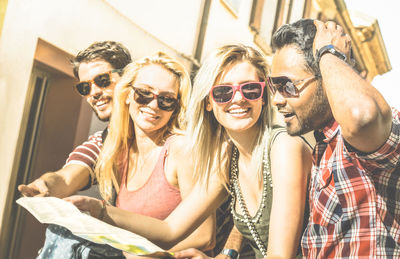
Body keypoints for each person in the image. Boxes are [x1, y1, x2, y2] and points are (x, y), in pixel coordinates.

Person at [66, 44, 312, 259]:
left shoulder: (283, 147)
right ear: (208, 101)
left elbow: (281, 255)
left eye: (249, 89)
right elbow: (170, 231)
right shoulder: (229, 159)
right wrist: (99, 210)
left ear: (263, 96)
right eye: (223, 91)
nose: (237, 99)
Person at [268, 18, 400, 258]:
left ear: (327, 77)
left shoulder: (361, 141)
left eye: (286, 85)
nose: (276, 99)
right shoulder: (323, 147)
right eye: (272, 85)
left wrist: (328, 52)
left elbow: (362, 116)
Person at [18, 40, 132, 197]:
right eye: (85, 87)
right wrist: (46, 185)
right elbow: (65, 178)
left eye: (102, 80)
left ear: (128, 78)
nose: (94, 93)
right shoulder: (104, 142)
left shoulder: (166, 130)